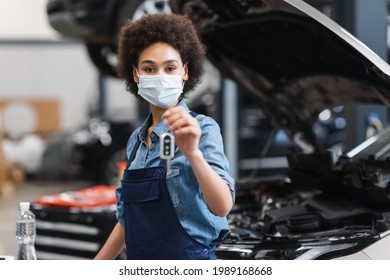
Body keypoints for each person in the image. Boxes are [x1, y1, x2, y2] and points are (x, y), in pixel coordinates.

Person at [94, 13, 235, 260]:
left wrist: (193, 153)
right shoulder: (136, 142)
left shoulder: (202, 129)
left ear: (185, 72)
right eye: (149, 68)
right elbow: (126, 217)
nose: (160, 76)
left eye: (170, 68)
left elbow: (222, 206)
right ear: (136, 74)